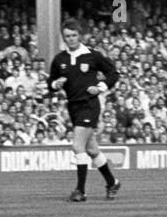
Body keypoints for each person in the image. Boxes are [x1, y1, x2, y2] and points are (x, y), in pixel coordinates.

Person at [48, 22, 121, 202]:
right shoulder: (60, 59)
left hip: (89, 105)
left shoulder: (92, 55)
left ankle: (80, 190)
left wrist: (101, 87)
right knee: (92, 150)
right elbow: (51, 82)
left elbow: (113, 73)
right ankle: (112, 182)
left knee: (77, 147)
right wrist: (55, 85)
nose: (71, 39)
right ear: (63, 38)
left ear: (79, 35)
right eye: (67, 36)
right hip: (73, 106)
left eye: (73, 35)